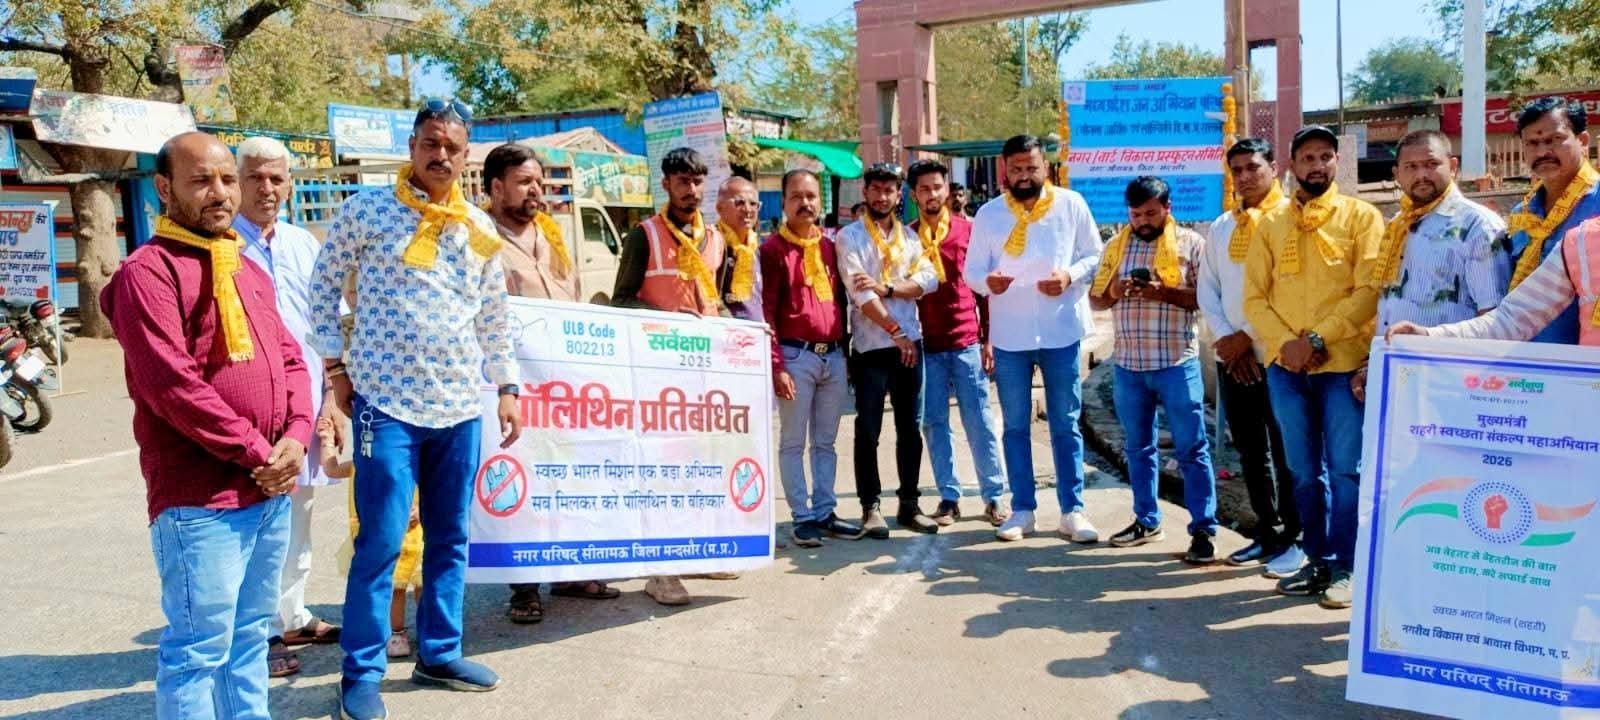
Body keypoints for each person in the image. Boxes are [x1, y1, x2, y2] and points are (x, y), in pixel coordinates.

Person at [309, 99, 522, 720]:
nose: (441, 156)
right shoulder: (368, 211)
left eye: (453, 147)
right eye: (431, 143)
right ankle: (361, 672)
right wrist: (335, 368)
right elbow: (322, 287)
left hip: (458, 407)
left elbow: (494, 316)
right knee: (380, 540)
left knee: (450, 537)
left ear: (466, 156)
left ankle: (440, 653)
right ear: (412, 147)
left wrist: (507, 387)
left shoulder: (477, 229)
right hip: (386, 407)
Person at [102, 131, 312, 720]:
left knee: (249, 639)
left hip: (267, 493)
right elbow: (174, 388)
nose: (219, 193)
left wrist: (296, 435)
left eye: (225, 179)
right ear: (163, 189)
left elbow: (291, 359)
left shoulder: (242, 265)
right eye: (201, 181)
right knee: (198, 652)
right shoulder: (148, 273)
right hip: (202, 501)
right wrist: (259, 453)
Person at [480, 143, 624, 623]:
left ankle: (568, 573)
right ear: (496, 187)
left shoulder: (552, 234)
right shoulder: (479, 238)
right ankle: (523, 586)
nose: (535, 190)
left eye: (538, 182)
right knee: (522, 481)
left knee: (565, 479)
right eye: (524, 182)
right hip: (513, 386)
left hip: (562, 384)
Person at [1243, 125, 1383, 610]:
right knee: (1302, 471)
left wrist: (1319, 339)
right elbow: (1254, 298)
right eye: (1307, 157)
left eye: (1325, 156)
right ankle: (1317, 558)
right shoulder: (1270, 224)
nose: (1317, 165)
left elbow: (1369, 291)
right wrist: (1290, 345)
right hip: (1287, 367)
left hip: (1342, 365)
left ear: (1337, 163)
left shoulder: (1362, 217)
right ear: (1292, 166)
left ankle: (1347, 565)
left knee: (1346, 470)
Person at [229, 135, 341, 679]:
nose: (266, 188)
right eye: (255, 177)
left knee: (300, 514)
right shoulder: (221, 245)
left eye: (276, 178)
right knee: (257, 521)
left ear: (291, 185)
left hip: (307, 402)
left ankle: (291, 615)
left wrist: (331, 398)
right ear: (236, 183)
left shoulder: (302, 244)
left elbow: (325, 324)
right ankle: (260, 633)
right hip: (251, 408)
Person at [964, 134, 1104, 543]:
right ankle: (1022, 509)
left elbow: (1094, 255)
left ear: (1046, 167)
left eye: (1032, 167)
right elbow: (972, 272)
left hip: (1061, 331)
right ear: (1004, 170)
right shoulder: (989, 214)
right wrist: (988, 282)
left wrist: (1069, 276)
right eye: (1017, 169)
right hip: (1011, 336)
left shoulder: (1071, 204)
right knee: (1015, 425)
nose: (1025, 176)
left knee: (1065, 421)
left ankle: (1072, 510)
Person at [610, 147, 726, 605]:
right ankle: (659, 571)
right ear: (666, 185)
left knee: (699, 466)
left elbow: (715, 301)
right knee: (662, 472)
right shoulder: (644, 236)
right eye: (682, 182)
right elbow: (621, 300)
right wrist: (670, 321)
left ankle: (694, 552)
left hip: (703, 375)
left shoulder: (714, 239)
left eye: (697, 181)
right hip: (657, 375)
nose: (691, 190)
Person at [1089, 176, 1220, 563]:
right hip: (1128, 366)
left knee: (1192, 449)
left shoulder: (1191, 244)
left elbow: (1206, 299)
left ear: (1167, 208)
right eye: (1135, 214)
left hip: (1177, 364)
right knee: (1137, 448)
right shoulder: (1116, 246)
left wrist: (1162, 292)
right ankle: (1146, 520)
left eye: (1150, 213)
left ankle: (1203, 530)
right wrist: (1116, 291)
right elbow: (1096, 299)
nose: (1143, 221)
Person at [1198, 138, 1304, 576]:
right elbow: (1208, 289)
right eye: (1236, 169)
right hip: (1233, 359)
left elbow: (1291, 290)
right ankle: (1266, 531)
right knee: (1250, 451)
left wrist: (1249, 337)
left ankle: (1296, 537)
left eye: (1253, 167)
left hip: (1279, 355)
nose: (1244, 177)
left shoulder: (1292, 219)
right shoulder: (1223, 226)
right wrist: (1228, 340)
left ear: (1274, 168)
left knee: (1288, 452)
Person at [1353, 129, 1509, 402]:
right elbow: (1391, 304)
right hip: (1396, 373)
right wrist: (1373, 366)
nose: (1421, 175)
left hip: (1451, 381)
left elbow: (1493, 319)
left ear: (1453, 166)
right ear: (1397, 174)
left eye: (1431, 164)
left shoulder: (1477, 226)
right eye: (1411, 167)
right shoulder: (1398, 225)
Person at [762, 169, 865, 547]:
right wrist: (777, 366)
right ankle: (801, 516)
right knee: (792, 442)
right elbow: (767, 312)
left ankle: (824, 511)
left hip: (832, 356)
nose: (804, 203)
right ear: (784, 202)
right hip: (795, 356)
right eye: (796, 197)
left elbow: (841, 303)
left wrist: (846, 354)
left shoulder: (829, 246)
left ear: (820, 201)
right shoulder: (772, 250)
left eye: (810, 196)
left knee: (826, 442)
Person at [838, 162, 941, 536]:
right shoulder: (849, 237)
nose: (882, 197)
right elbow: (861, 294)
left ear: (900, 196)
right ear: (865, 192)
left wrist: (889, 288)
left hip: (910, 345)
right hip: (872, 346)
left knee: (910, 428)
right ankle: (870, 508)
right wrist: (895, 329)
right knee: (868, 429)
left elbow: (929, 281)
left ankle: (909, 504)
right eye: (876, 189)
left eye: (889, 190)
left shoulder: (910, 238)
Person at [907, 159, 1008, 527]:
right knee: (934, 424)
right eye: (924, 189)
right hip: (927, 346)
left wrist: (989, 339)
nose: (932, 194)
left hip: (967, 342)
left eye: (937, 187)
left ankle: (994, 496)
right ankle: (949, 497)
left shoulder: (969, 231)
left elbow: (985, 292)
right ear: (914, 195)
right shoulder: (907, 238)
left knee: (979, 421)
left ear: (947, 190)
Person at [1500, 97, 1600, 344]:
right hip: (1527, 356)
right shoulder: (1522, 214)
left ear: (1582, 140)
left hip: (1585, 359)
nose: (1542, 152)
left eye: (1554, 139)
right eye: (1532, 143)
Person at [717, 176, 765, 323]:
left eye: (753, 204)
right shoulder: (712, 243)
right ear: (719, 208)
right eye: (739, 203)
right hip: (727, 331)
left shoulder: (757, 249)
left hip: (757, 333)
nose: (748, 209)